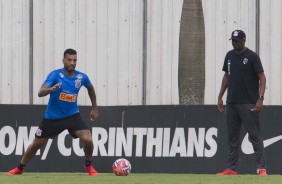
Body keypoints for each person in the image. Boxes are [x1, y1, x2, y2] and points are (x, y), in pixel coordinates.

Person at [7, 48, 99, 176]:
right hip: (52, 118)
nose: (72, 63)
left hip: (72, 116)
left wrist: (94, 108)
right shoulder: (55, 75)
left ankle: (88, 166)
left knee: (88, 139)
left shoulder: (81, 77)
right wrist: (51, 89)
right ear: (63, 60)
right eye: (69, 60)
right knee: (36, 144)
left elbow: (91, 89)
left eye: (74, 60)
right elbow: (40, 92)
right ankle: (20, 168)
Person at [216, 30, 267, 176]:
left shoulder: (252, 57)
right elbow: (227, 76)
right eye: (232, 40)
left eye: (237, 41)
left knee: (254, 136)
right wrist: (220, 96)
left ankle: (261, 168)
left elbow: (262, 78)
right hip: (231, 103)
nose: (234, 43)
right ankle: (231, 168)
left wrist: (260, 98)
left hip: (248, 103)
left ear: (244, 40)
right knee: (232, 138)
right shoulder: (229, 56)